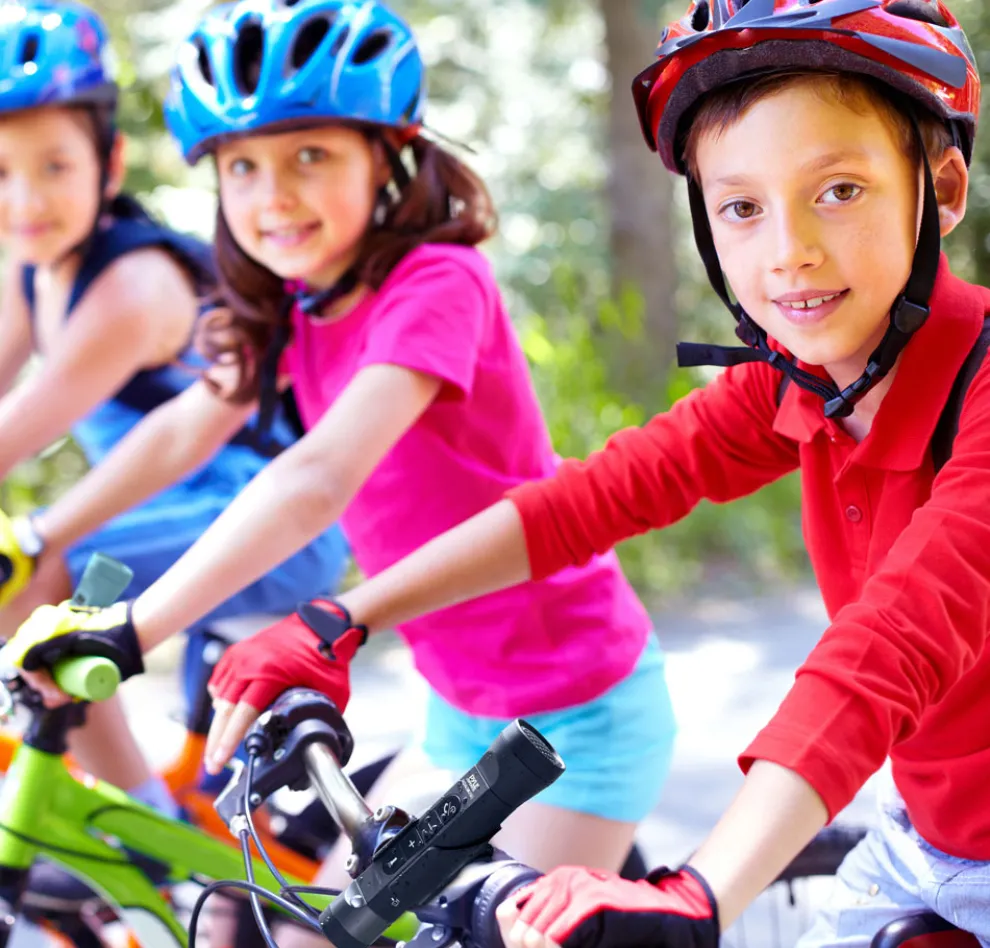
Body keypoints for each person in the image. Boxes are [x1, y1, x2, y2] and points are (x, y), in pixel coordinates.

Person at [195, 1, 989, 947]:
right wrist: (342, 618)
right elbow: (585, 502)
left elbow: (892, 645)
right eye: (742, 207)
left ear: (942, 188)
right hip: (924, 839)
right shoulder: (803, 381)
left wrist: (700, 893)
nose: (789, 253)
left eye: (840, 190)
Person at [0, 0, 677, 921]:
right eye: (242, 166)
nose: (273, 195)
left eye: (310, 156)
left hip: (573, 719)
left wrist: (134, 629)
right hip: (460, 708)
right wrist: (50, 543)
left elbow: (317, 477)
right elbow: (184, 428)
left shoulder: (437, 283)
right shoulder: (296, 305)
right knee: (307, 933)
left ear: (387, 155)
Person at [0, 0, 348, 816]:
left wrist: (40, 534)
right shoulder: (31, 269)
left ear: (110, 164)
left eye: (55, 167)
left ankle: (137, 825)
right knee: (37, 576)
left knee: (35, 580)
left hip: (268, 524)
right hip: (172, 518)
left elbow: (16, 431)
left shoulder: (130, 287)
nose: (25, 199)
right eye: (1, 172)